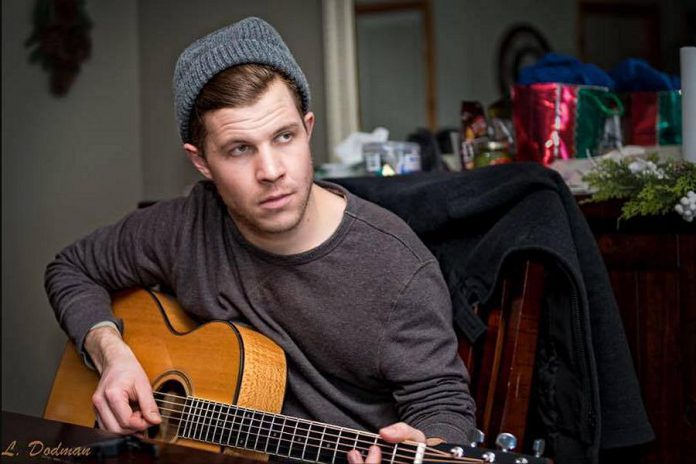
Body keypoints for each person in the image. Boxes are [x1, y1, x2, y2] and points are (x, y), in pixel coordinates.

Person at [45, 17, 475, 463]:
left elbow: (443, 409)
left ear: (308, 129)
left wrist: (430, 446)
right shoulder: (184, 226)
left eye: (284, 137)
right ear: (202, 162)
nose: (271, 171)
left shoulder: (394, 263)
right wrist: (110, 352)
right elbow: (71, 268)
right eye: (239, 149)